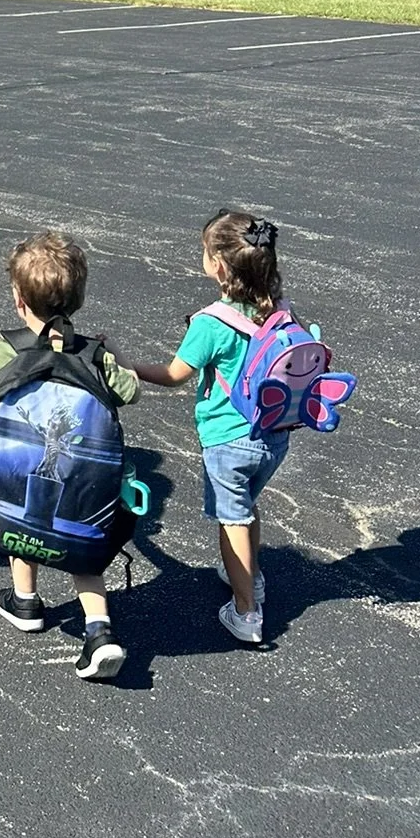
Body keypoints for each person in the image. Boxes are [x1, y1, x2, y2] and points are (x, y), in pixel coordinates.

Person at [0, 233, 136, 680]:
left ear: (19, 300)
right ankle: (99, 632)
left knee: (22, 521)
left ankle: (26, 603)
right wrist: (111, 353)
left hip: (21, 469)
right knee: (85, 551)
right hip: (80, 480)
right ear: (79, 298)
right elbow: (130, 389)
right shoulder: (94, 355)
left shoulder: (6, 346)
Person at [131, 210, 291, 646]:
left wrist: (128, 365)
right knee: (247, 507)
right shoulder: (277, 309)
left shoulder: (211, 324)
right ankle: (250, 578)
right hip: (273, 435)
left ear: (218, 264)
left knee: (232, 520)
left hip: (228, 441)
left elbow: (173, 374)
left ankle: (246, 612)